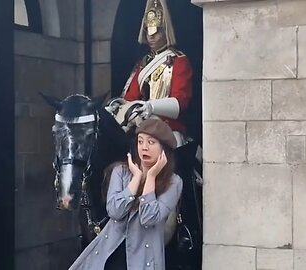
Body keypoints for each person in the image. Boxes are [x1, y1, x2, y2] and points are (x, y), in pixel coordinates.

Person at [68, 118, 183, 270]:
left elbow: (149, 218)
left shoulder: (173, 182)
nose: (144, 148)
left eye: (151, 142)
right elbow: (114, 211)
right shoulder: (121, 172)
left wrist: (151, 177)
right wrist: (136, 179)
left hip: (143, 260)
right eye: (140, 141)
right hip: (109, 255)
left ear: (164, 149)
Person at [107, 0, 193, 148]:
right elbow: (131, 98)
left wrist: (151, 107)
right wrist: (119, 107)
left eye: (156, 31)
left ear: (165, 31)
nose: (151, 37)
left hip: (169, 128)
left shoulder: (179, 61)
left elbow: (180, 102)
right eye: (148, 31)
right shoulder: (143, 63)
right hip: (143, 127)